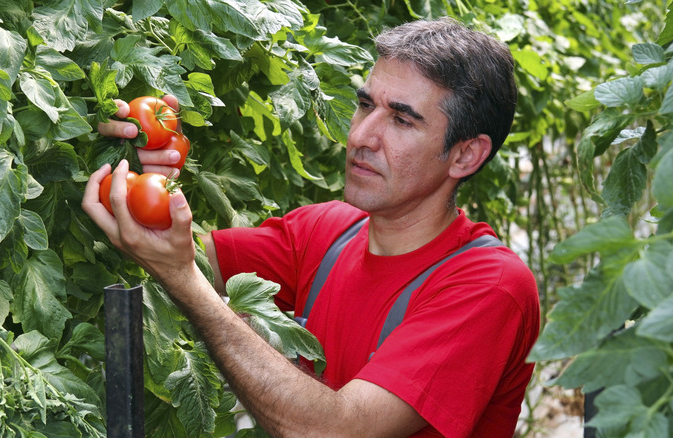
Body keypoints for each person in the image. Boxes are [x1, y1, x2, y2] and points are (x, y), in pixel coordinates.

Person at [84, 17, 540, 437]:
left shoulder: (489, 287)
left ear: (465, 155)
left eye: (402, 120)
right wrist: (137, 164)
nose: (361, 136)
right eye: (365, 105)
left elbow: (331, 431)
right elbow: (172, 246)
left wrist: (184, 279)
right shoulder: (326, 231)